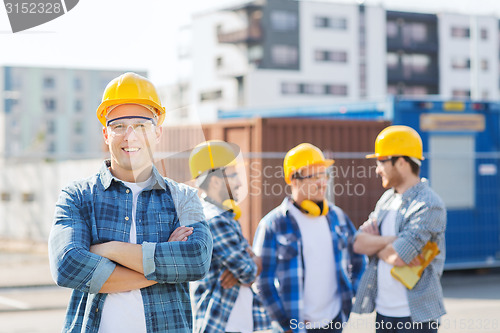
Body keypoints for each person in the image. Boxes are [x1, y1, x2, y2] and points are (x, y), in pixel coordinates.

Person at [48, 72, 213, 333]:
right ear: (105, 133)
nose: (130, 136)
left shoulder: (184, 197)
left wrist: (108, 249)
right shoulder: (77, 196)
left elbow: (197, 259)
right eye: (119, 126)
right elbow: (67, 266)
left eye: (141, 125)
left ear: (157, 132)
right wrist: (164, 265)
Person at [253, 143, 366, 333]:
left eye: (324, 175)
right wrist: (286, 324)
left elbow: (359, 260)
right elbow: (263, 282)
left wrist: (352, 292)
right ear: (294, 180)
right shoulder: (273, 224)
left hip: (335, 322)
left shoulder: (338, 217)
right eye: (314, 176)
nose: (322, 183)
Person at [352, 125, 446, 333]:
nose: (377, 169)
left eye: (381, 161)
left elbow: (399, 258)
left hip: (416, 318)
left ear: (401, 162)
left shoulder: (429, 204)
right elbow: (358, 243)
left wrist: (376, 243)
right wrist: (391, 240)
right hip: (384, 314)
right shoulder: (387, 200)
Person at [189, 140, 271, 333]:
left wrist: (247, 266)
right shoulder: (215, 220)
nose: (240, 182)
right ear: (216, 180)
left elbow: (246, 270)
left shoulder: (222, 215)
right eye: (233, 175)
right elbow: (249, 272)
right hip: (222, 324)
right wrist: (253, 260)